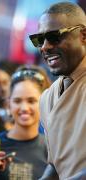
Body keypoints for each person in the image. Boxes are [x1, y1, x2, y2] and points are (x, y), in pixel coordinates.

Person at [29, 2, 86, 179]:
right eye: (39, 40)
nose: (44, 47)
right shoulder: (47, 97)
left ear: (83, 36)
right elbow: (56, 164)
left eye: (54, 37)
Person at [0, 65, 50, 180]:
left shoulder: (51, 148)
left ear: (43, 103)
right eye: (17, 101)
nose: (24, 107)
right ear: (9, 104)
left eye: (31, 101)